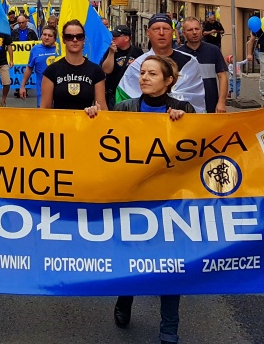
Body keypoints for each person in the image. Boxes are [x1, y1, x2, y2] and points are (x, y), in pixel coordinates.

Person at [85, 55, 191, 343]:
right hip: (131, 199)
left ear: (169, 81)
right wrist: (93, 118)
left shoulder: (183, 109)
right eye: (143, 72)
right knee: (131, 256)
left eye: (152, 74)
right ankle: (125, 297)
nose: (144, 77)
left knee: (170, 264)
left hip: (169, 201)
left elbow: (196, 150)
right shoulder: (124, 108)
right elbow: (102, 141)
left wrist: (184, 123)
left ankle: (169, 329)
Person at [115, 14, 205, 111]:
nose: (161, 33)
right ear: (148, 32)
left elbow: (197, 99)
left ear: (173, 32)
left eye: (166, 29)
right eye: (156, 29)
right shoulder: (137, 65)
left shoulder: (190, 62)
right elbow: (124, 99)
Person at [40, 21, 107, 110]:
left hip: (87, 118)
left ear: (84, 39)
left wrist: (95, 110)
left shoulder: (96, 71)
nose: (75, 40)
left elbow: (102, 109)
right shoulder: (52, 70)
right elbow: (45, 109)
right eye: (69, 37)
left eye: (79, 36)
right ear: (63, 40)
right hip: (60, 119)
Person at [178, 17, 229, 113]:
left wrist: (221, 102)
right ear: (184, 33)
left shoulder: (213, 50)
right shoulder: (178, 54)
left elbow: (222, 76)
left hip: (211, 104)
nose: (194, 32)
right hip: (185, 106)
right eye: (190, 30)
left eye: (197, 29)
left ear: (201, 31)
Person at [19, 25, 58, 105]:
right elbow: (29, 68)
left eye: (50, 35)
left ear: (55, 38)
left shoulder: (60, 50)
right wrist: (22, 86)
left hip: (59, 93)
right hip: (42, 93)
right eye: (44, 34)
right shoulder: (35, 49)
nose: (46, 37)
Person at [105, 25, 143, 98]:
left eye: (117, 36)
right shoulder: (110, 50)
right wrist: (111, 53)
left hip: (131, 93)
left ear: (126, 38)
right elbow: (107, 70)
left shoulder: (137, 51)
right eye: (113, 36)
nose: (113, 38)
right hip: (114, 93)